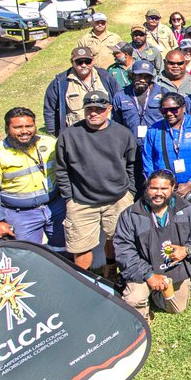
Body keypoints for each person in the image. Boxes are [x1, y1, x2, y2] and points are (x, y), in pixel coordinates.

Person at [54, 90, 136, 272]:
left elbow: (131, 164)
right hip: (81, 201)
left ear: (109, 109)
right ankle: (85, 281)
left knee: (118, 240)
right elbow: (61, 170)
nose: (93, 113)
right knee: (81, 248)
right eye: (89, 109)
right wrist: (68, 197)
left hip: (118, 198)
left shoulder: (123, 134)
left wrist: (130, 192)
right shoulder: (69, 135)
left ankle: (112, 269)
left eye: (99, 109)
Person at [112, 170, 191, 319]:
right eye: (154, 188)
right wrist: (149, 275)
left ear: (173, 188)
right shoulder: (130, 215)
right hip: (143, 270)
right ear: (146, 188)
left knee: (177, 307)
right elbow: (124, 250)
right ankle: (141, 307)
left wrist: (187, 249)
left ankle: (155, 293)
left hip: (174, 268)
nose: (158, 193)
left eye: (164, 189)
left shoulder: (187, 210)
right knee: (134, 300)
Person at [0, 106, 65, 251]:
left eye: (29, 126)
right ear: (7, 128)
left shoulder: (50, 144)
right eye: (18, 127)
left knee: (64, 249)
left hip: (55, 208)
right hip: (21, 215)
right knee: (28, 256)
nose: (25, 131)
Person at [142, 92, 191, 206]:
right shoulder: (154, 130)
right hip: (165, 191)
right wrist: (159, 186)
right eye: (164, 110)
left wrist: (190, 184)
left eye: (174, 109)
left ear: (183, 107)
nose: (169, 113)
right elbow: (148, 161)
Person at [43, 46, 121, 136]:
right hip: (76, 135)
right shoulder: (60, 82)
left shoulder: (105, 77)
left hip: (106, 132)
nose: (84, 65)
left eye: (87, 61)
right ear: (72, 62)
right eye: (79, 62)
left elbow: (118, 101)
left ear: (93, 61)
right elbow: (49, 110)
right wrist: (53, 134)